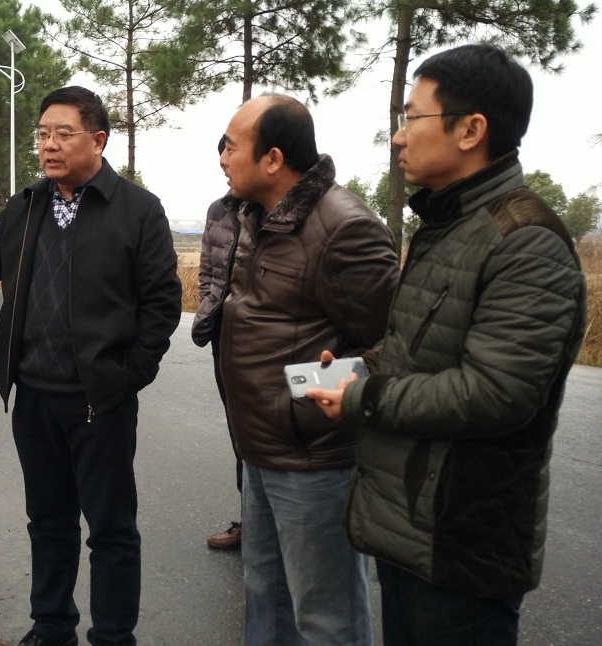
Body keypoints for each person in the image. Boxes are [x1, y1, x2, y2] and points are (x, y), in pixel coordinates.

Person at [306, 44, 587, 646]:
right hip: (410, 525)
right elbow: (416, 350)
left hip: (459, 538)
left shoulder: (524, 241)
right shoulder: (449, 227)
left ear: (471, 130)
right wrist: (360, 369)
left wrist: (363, 397)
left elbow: (496, 393)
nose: (399, 137)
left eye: (413, 118)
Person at [0, 86, 181, 646]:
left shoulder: (138, 210)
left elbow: (162, 304)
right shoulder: (26, 205)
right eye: (42, 134)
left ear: (99, 140)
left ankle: (113, 635)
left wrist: (127, 375)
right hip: (34, 398)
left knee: (111, 529)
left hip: (101, 401)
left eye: (64, 133)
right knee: (48, 522)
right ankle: (52, 626)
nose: (49, 145)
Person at [218, 94, 400, 645]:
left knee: (327, 618)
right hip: (260, 449)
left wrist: (310, 405)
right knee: (266, 600)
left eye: (231, 145)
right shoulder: (259, 216)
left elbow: (392, 342)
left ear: (273, 159)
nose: (222, 157)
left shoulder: (343, 227)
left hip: (314, 460)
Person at [192, 135, 243, 550]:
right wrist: (208, 308)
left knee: (269, 434)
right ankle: (252, 520)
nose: (223, 161)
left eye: (231, 151)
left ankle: (275, 526)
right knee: (240, 430)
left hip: (265, 341)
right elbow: (208, 270)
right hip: (223, 336)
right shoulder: (219, 210)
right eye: (220, 152)